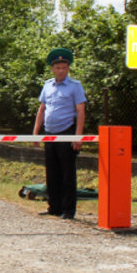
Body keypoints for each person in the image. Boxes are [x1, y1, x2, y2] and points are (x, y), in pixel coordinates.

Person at [32, 48, 86, 220]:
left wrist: (78, 136)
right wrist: (35, 133)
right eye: (58, 68)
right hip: (50, 133)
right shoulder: (47, 85)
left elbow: (81, 111)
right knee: (52, 172)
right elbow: (42, 109)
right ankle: (54, 207)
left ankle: (68, 210)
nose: (61, 70)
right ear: (52, 69)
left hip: (66, 132)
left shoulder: (75, 87)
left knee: (67, 173)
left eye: (64, 67)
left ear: (68, 68)